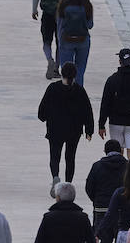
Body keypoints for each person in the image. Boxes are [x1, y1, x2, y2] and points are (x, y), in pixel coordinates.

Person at [37, 61, 94, 193]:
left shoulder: (52, 88)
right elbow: (87, 111)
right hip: (74, 130)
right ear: (75, 75)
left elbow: (42, 109)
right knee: (70, 157)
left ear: (62, 73)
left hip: (55, 128)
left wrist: (44, 117)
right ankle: (68, 184)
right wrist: (89, 130)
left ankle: (55, 176)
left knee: (54, 155)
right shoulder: (79, 90)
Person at [97, 47, 130, 158]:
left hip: (116, 121)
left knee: (117, 152)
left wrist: (101, 124)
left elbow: (105, 103)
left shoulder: (112, 79)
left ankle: (118, 174)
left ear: (120, 61)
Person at [85, 139, 127, 243]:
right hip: (122, 209)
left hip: (101, 208)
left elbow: (89, 187)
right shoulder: (128, 165)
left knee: (104, 240)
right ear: (121, 151)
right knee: (120, 239)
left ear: (105, 151)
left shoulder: (97, 166)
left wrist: (96, 200)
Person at [32, 0, 73, 78]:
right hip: (61, 16)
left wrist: (34, 9)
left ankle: (49, 59)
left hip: (47, 14)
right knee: (60, 42)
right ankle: (56, 69)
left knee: (46, 40)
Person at [56, 0, 94, 87]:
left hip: (66, 39)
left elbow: (59, 24)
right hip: (83, 40)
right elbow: (90, 25)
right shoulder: (87, 6)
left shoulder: (63, 5)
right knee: (80, 70)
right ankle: (78, 94)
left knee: (66, 71)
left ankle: (65, 93)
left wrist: (60, 40)